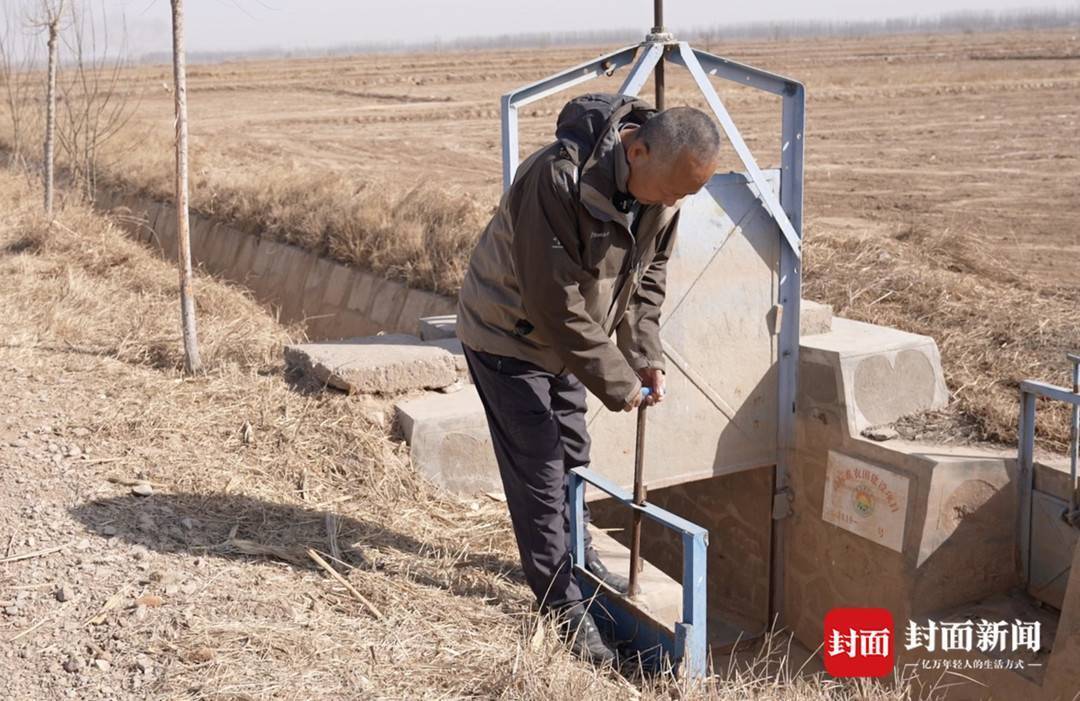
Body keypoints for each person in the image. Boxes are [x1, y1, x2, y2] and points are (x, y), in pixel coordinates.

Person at [457, 93, 723, 663]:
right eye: (674, 189)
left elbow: (648, 279)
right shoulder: (559, 180)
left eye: (686, 195)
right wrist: (618, 380)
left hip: (571, 345)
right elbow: (554, 302)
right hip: (509, 334)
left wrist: (644, 353)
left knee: (574, 451)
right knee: (540, 467)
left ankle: (576, 555)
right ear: (638, 148)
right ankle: (560, 603)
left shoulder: (663, 194)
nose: (677, 202)